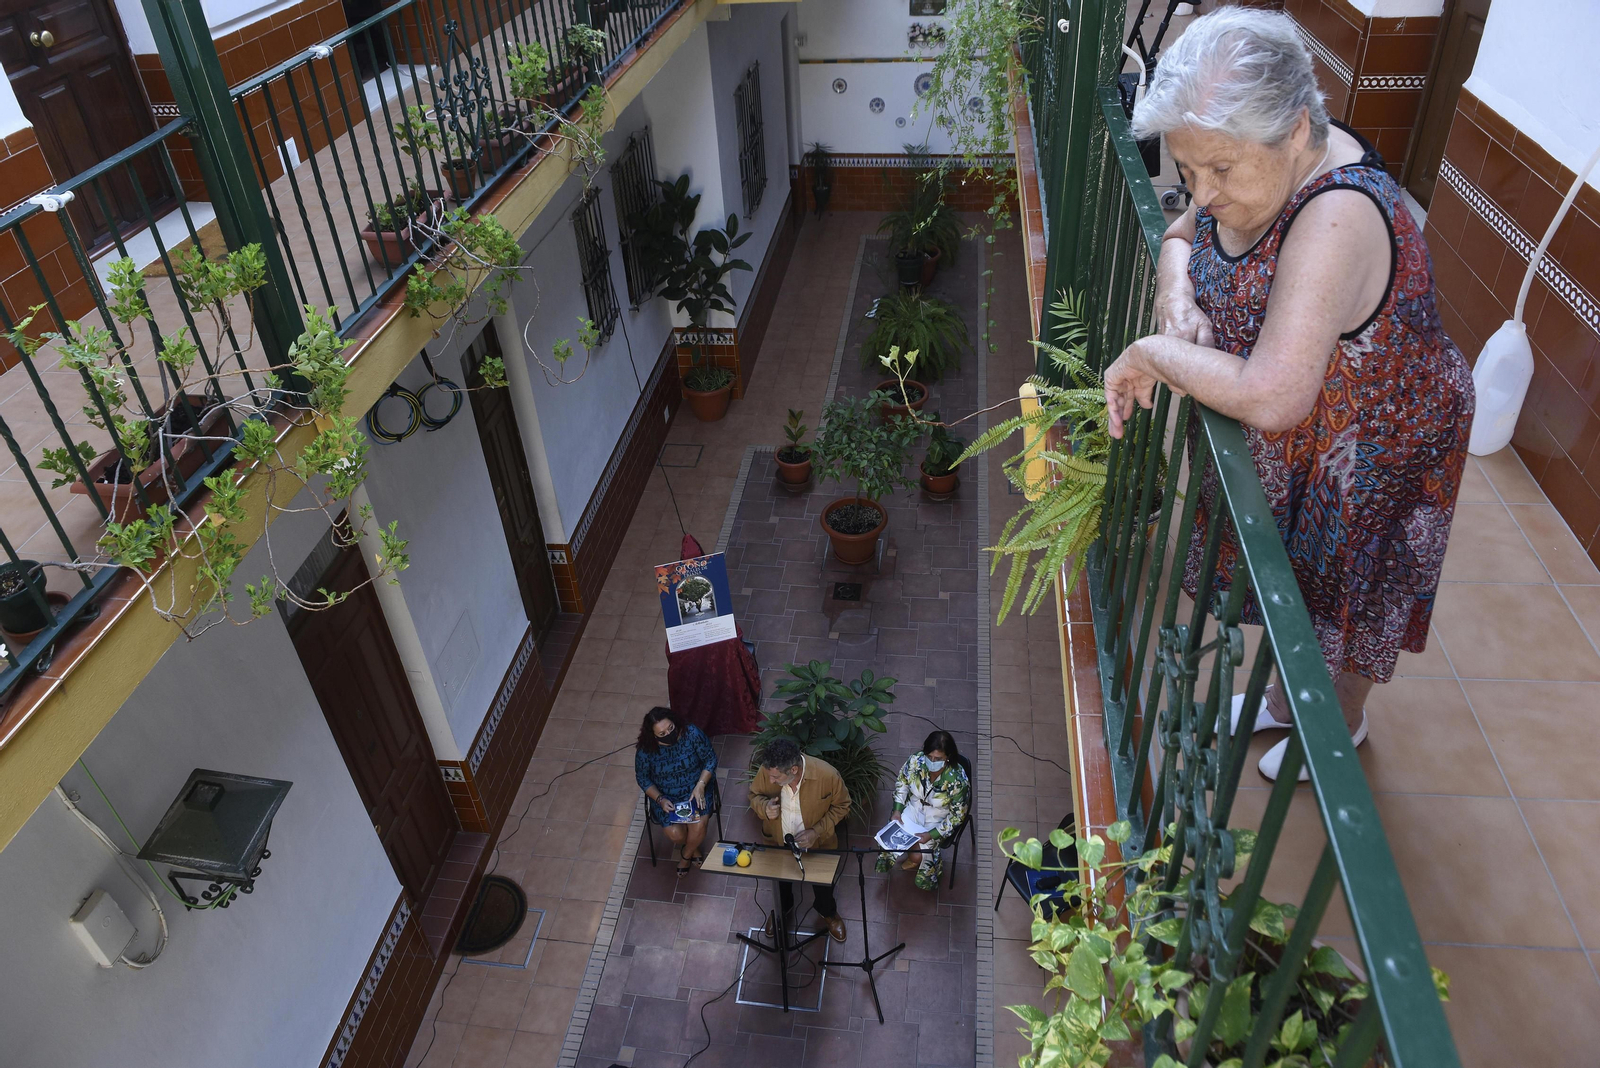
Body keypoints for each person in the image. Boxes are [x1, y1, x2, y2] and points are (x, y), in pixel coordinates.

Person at [1105, 8, 1473, 781]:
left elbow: (1272, 395)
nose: (1203, 193)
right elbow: (1181, 236)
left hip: (1373, 445)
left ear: (1299, 129)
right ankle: (1283, 701)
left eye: (1220, 171)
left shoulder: (1337, 214)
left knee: (1346, 600)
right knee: (1293, 587)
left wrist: (1152, 352)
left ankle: (1337, 725)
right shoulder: (1244, 166)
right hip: (1307, 437)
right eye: (1188, 172)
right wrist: (1175, 293)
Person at [747, 738, 851, 943]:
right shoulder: (769, 770)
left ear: (793, 770)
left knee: (823, 886)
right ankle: (782, 909)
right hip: (778, 842)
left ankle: (827, 912)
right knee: (780, 884)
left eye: (776, 777)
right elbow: (754, 795)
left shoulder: (827, 775)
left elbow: (843, 806)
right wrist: (765, 808)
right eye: (770, 776)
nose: (771, 781)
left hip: (818, 845)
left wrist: (816, 832)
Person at [876, 730, 970, 891]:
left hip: (938, 817)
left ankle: (919, 863)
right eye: (929, 756)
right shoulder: (916, 760)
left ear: (947, 757)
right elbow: (902, 783)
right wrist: (897, 810)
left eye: (938, 759)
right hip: (914, 807)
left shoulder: (957, 781)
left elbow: (957, 816)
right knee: (891, 835)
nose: (932, 762)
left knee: (921, 853)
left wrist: (932, 834)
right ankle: (910, 854)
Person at [634, 708, 717, 875]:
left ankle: (686, 856)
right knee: (675, 834)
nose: (668, 734)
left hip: (696, 789)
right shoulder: (646, 750)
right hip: (666, 797)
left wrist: (701, 785)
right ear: (653, 736)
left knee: (699, 825)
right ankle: (693, 848)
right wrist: (660, 799)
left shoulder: (691, 734)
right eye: (662, 733)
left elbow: (710, 759)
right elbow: (643, 779)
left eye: (670, 728)